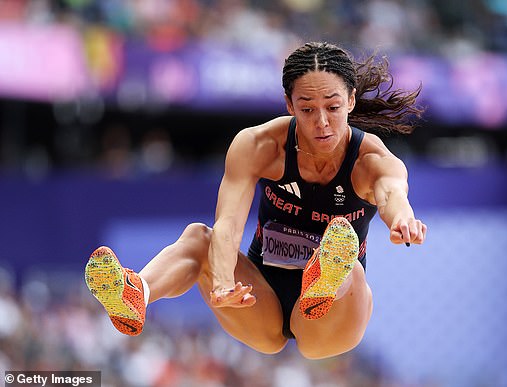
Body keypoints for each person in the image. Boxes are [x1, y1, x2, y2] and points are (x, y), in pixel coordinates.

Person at [85, 41, 427, 359]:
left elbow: (392, 194)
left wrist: (401, 219)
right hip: (259, 299)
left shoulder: (372, 161)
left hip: (332, 321)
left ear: (351, 100)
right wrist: (222, 283)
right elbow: (229, 223)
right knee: (198, 237)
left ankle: (324, 279)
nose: (322, 123)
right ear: (289, 105)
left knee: (346, 264)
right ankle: (136, 294)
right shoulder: (259, 145)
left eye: (333, 107)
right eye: (307, 110)